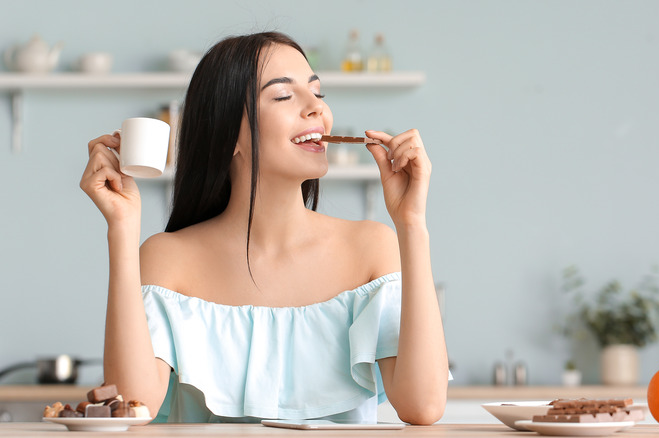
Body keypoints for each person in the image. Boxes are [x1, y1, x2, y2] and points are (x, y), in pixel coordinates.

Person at [80, 31, 449, 425]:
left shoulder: (372, 248)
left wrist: (412, 224)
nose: (317, 110)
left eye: (318, 93)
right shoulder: (166, 258)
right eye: (283, 96)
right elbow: (132, 406)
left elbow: (422, 406)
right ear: (228, 136)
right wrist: (121, 227)